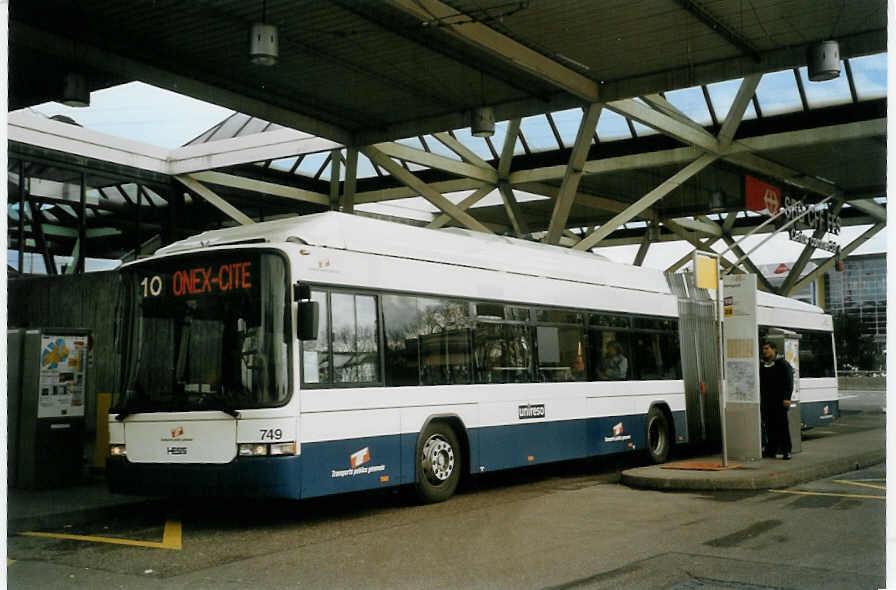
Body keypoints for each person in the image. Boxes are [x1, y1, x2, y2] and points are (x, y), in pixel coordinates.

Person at [759, 341, 794, 460]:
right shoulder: (762, 365)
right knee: (769, 426)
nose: (765, 351)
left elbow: (789, 382)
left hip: (780, 401)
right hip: (767, 402)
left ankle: (786, 451)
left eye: (767, 348)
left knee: (782, 426)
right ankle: (771, 450)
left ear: (774, 350)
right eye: (763, 349)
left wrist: (787, 398)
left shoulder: (783, 364)